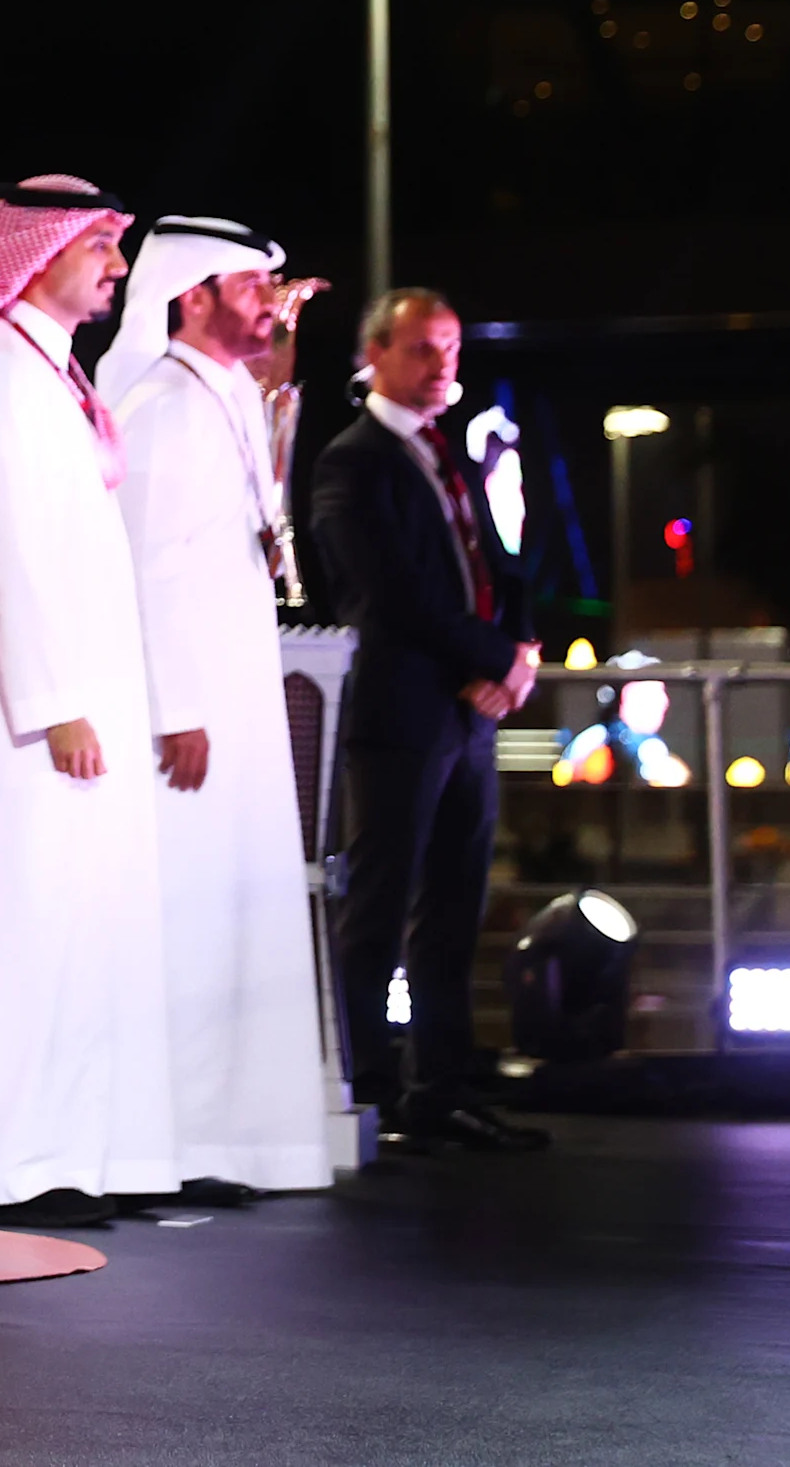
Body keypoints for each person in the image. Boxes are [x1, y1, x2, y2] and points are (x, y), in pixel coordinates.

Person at [0, 180, 178, 1225]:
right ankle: (6, 1159)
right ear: (36, 250)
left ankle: (71, 1152)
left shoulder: (48, 374)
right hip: (22, 712)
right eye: (99, 244)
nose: (113, 264)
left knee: (72, 928)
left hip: (73, 697)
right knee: (8, 933)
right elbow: (7, 552)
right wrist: (53, 698)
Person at [101, 217, 337, 1195]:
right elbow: (150, 567)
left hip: (230, 702)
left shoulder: (222, 396)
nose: (265, 303)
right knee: (192, 923)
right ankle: (185, 1141)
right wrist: (176, 706)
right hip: (185, 715)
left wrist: (273, 326)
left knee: (238, 920)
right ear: (190, 294)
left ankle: (231, 1138)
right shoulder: (161, 404)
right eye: (247, 285)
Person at [310, 288, 547, 1152]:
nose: (442, 364)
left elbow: (506, 559)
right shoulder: (353, 460)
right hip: (403, 709)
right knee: (379, 904)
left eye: (450, 348)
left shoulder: (457, 452)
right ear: (373, 354)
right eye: (422, 349)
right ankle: (369, 1088)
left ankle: (442, 1086)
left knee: (455, 906)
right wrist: (492, 662)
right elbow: (392, 593)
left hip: (471, 713)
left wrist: (517, 650)